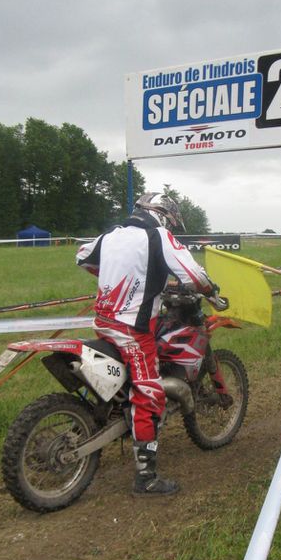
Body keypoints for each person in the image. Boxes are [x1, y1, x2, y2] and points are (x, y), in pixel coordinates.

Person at [76, 193, 216, 496]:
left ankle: (116, 416)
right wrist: (211, 289)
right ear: (164, 215)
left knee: (128, 382)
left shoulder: (111, 235)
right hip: (132, 331)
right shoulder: (158, 236)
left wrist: (121, 274)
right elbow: (193, 274)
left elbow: (82, 257)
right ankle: (146, 477)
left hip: (104, 322)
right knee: (149, 393)